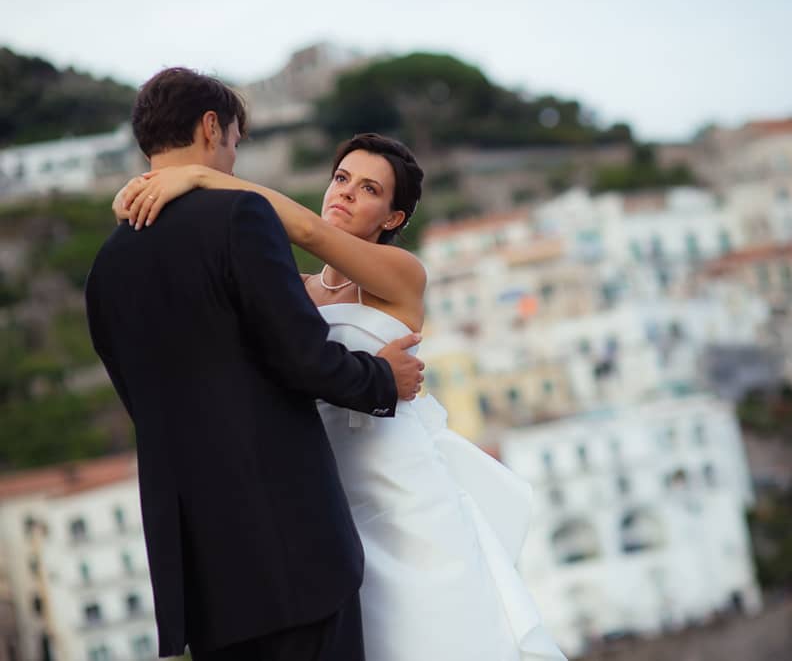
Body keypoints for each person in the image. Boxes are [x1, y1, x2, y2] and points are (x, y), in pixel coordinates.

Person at [116, 132, 567, 660]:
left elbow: (305, 228)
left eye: (369, 188)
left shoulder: (401, 275)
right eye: (341, 178)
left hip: (403, 492)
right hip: (322, 499)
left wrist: (200, 177)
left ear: (393, 217)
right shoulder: (291, 289)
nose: (346, 193)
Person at [86, 68, 426, 661]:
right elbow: (301, 356)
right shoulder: (240, 217)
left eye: (368, 188)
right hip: (294, 543)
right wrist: (382, 379)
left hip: (207, 573)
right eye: (236, 144)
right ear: (211, 127)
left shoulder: (105, 268)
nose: (234, 164)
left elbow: (146, 403)